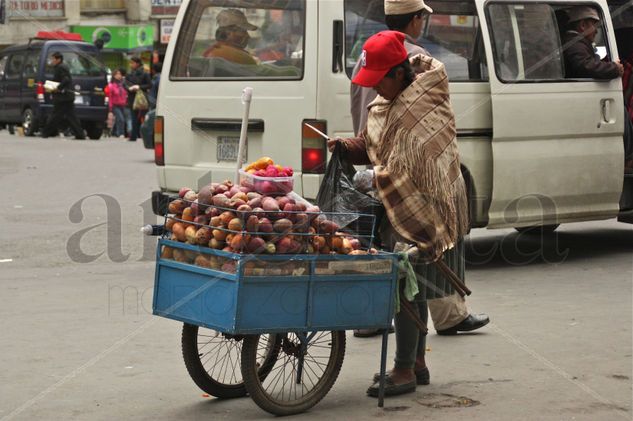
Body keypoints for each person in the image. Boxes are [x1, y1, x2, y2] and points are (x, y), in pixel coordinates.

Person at [329, 30, 473, 396]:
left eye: (379, 82)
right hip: (404, 199)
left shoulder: (421, 105)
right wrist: (347, 147)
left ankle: (405, 370)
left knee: (405, 283)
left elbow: (405, 169)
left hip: (431, 202)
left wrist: (370, 177)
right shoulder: (389, 103)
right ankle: (417, 362)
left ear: (397, 73)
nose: (374, 90)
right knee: (414, 284)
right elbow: (374, 144)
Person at [350, 0, 489, 338]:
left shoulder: (410, 75)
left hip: (405, 184)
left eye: (379, 84)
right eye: (422, 18)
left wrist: (373, 168)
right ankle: (421, 340)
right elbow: (374, 128)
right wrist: (358, 150)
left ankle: (405, 352)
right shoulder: (384, 63)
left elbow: (420, 159)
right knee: (402, 269)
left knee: (411, 266)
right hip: (388, 176)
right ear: (415, 21)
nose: (375, 89)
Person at [562, 6, 624, 79]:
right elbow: (586, 66)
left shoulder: (575, 42)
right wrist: (614, 68)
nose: (596, 31)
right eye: (595, 25)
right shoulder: (575, 44)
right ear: (583, 25)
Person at [41, 52, 86, 140]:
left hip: (63, 97)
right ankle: (80, 134)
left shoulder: (60, 67)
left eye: (53, 59)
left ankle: (45, 133)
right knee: (71, 117)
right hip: (66, 97)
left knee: (55, 116)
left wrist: (58, 87)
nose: (52, 61)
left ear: (58, 59)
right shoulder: (61, 67)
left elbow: (66, 79)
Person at [125, 57, 151, 142]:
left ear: (137, 63)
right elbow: (125, 84)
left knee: (143, 117)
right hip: (132, 98)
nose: (131, 65)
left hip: (142, 99)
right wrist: (129, 88)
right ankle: (133, 135)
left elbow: (149, 85)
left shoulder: (145, 74)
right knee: (133, 118)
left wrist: (139, 87)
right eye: (130, 63)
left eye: (132, 63)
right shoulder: (129, 74)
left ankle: (144, 135)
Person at [107, 68, 128, 138]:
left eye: (120, 74)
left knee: (119, 119)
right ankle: (120, 133)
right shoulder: (111, 85)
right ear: (114, 76)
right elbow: (110, 97)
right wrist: (110, 108)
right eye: (117, 74)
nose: (119, 76)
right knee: (121, 119)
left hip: (123, 104)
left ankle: (113, 132)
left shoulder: (123, 84)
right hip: (115, 105)